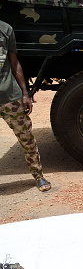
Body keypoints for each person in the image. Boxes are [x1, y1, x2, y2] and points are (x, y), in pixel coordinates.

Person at [0, 20, 51, 192]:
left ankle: (39, 176)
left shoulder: (6, 29)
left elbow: (14, 63)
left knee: (27, 139)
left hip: (9, 96)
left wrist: (24, 93)